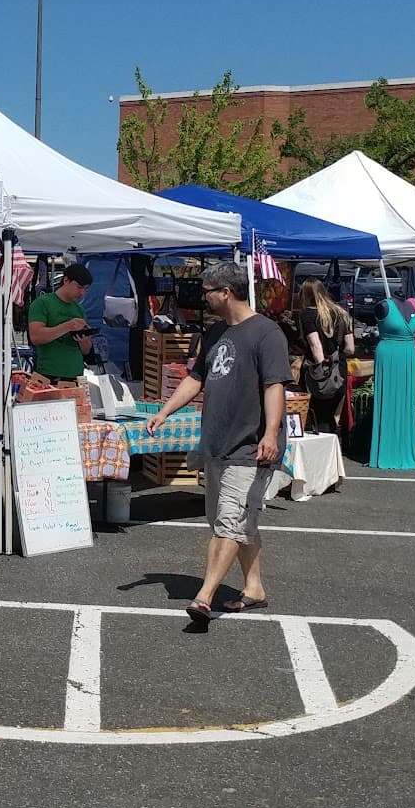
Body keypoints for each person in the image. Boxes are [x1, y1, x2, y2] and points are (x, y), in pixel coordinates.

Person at [146, 260, 291, 625]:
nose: (203, 297)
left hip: (250, 445)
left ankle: (204, 596)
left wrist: (271, 433)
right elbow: (197, 378)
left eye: (208, 291)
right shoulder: (215, 333)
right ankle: (254, 587)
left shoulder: (267, 333)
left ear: (226, 292)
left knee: (229, 523)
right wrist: (165, 412)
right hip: (217, 442)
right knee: (233, 523)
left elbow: (275, 386)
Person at [297, 278, 355, 434]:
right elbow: (350, 348)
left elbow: (316, 346)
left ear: (306, 295)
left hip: (319, 374)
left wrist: (322, 369)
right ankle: (333, 453)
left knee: (318, 416)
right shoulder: (341, 313)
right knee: (330, 417)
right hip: (340, 372)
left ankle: (321, 455)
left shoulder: (307, 314)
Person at [369, 296, 415, 469]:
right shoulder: (382, 305)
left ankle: (405, 448)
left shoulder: (412, 305)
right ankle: (387, 449)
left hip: (408, 357)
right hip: (390, 356)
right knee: (389, 402)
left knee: (407, 403)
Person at [27, 264, 94, 382]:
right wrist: (67, 326)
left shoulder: (79, 309)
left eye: (85, 289)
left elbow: (86, 350)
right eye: (79, 287)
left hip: (76, 376)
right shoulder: (42, 303)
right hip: (48, 375)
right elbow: (36, 337)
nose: (82, 293)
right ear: (66, 280)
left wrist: (84, 338)